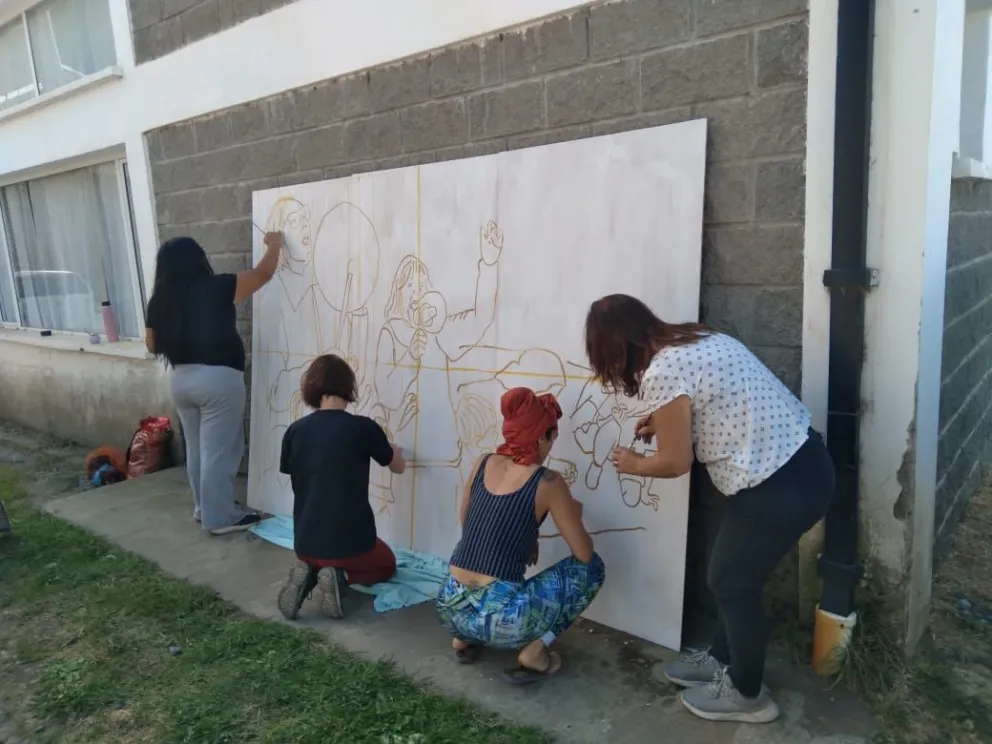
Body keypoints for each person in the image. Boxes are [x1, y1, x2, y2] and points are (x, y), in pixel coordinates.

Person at [583, 294, 834, 724]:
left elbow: (675, 462)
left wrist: (634, 464)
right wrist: (662, 421)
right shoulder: (694, 338)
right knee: (732, 574)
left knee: (731, 581)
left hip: (778, 483)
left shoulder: (662, 371)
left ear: (613, 350)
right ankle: (722, 659)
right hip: (803, 463)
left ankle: (748, 694)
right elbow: (704, 403)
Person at [435, 387, 605, 685]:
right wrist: (574, 516)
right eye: (553, 436)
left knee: (479, 601)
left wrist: (526, 536)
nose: (553, 444)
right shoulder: (548, 481)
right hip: (500, 621)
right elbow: (584, 554)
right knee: (593, 569)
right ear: (542, 436)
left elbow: (468, 520)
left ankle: (464, 639)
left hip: (449, 607)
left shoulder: (483, 461)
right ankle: (536, 651)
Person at [145, 232, 283, 535]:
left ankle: (203, 508)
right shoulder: (217, 287)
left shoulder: (160, 301)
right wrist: (275, 245)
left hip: (182, 380)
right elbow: (263, 274)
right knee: (219, 450)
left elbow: (153, 346)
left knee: (196, 449)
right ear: (198, 259)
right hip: (219, 380)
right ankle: (220, 518)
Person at [276, 354, 406, 621]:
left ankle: (312, 573)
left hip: (304, 542)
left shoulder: (294, 431)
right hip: (352, 545)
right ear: (349, 388)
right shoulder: (363, 428)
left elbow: (295, 472)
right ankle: (339, 576)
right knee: (387, 563)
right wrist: (396, 452)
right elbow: (397, 467)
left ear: (312, 388)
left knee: (322, 554)